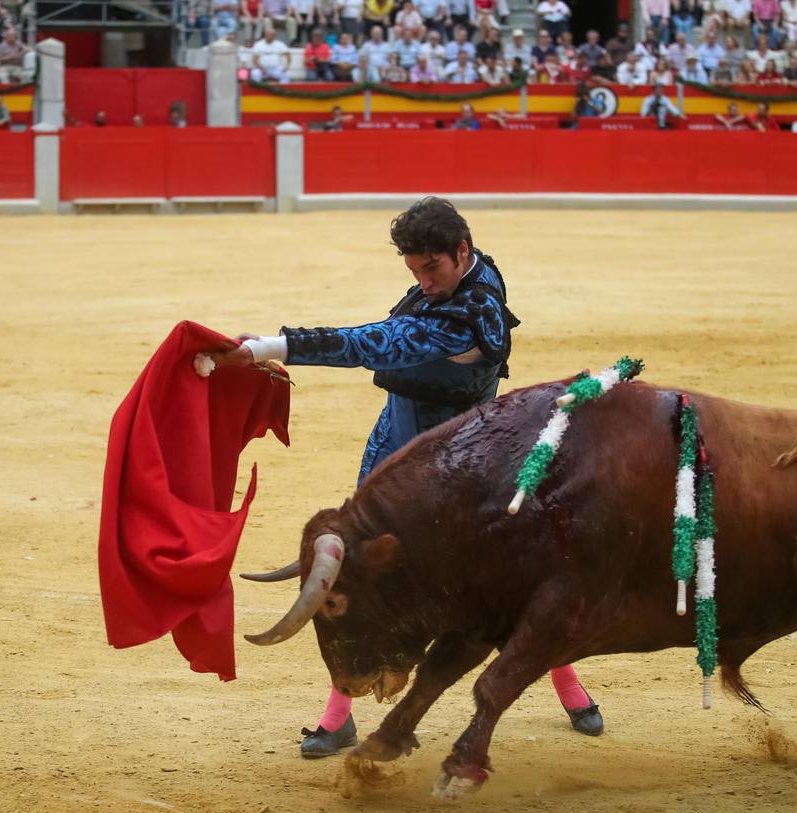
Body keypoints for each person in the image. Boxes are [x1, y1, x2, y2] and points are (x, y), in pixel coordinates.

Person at [201, 198, 607, 758]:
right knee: (359, 578)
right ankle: (337, 717)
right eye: (414, 271)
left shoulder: (471, 314)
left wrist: (271, 346)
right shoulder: (469, 269)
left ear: (461, 251)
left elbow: (371, 343)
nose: (423, 281)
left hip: (463, 475)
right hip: (393, 454)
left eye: (431, 268)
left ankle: (567, 683)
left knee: (513, 579)